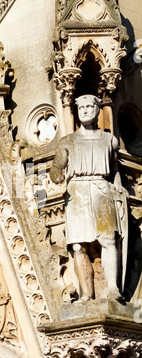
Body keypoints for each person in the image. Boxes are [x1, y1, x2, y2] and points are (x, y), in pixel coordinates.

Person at [50, 95, 127, 301]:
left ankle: (113, 289)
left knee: (109, 240)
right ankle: (86, 293)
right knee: (78, 246)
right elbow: (56, 168)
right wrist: (56, 173)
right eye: (81, 107)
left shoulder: (109, 140)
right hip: (77, 193)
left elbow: (115, 168)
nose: (84, 110)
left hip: (101, 189)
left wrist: (118, 188)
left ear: (97, 110)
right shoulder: (67, 141)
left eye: (89, 106)